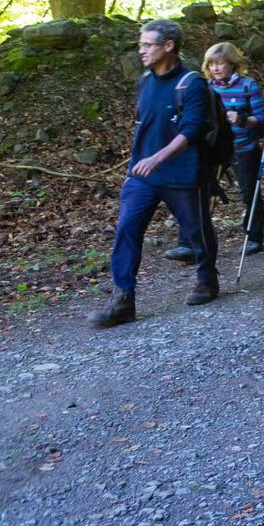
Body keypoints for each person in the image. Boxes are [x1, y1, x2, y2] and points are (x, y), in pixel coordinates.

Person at [91, 20, 223, 327]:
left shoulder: (192, 84)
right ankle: (123, 299)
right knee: (127, 230)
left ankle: (207, 279)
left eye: (148, 45)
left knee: (197, 230)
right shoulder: (144, 81)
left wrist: (158, 158)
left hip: (183, 174)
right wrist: (138, 163)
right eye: (140, 44)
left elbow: (192, 129)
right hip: (142, 176)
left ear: (169, 46)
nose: (141, 50)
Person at [203, 42, 264, 255]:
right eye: (211, 64)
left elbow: (263, 118)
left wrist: (242, 119)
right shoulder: (207, 87)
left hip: (243, 145)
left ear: (233, 64)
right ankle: (194, 240)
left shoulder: (248, 85)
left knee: (248, 191)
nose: (216, 68)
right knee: (203, 190)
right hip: (214, 146)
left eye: (220, 64)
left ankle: (254, 235)